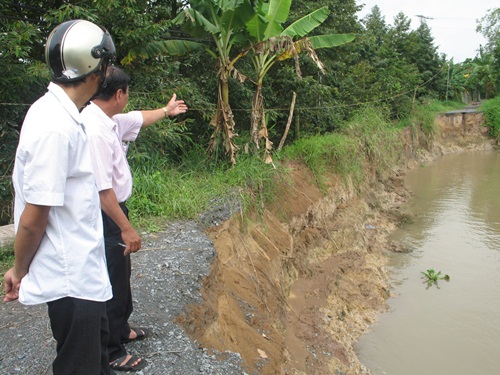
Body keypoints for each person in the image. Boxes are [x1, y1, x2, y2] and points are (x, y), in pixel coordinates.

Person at [3, 20, 119, 375]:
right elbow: (35, 218)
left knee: (95, 362)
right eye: (107, 62)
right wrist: (19, 269)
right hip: (72, 280)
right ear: (96, 68)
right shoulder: (54, 126)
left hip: (84, 271)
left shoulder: (63, 115)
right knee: (78, 367)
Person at [81, 66, 188, 372]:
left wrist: (166, 111)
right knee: (111, 278)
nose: (128, 99)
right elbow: (103, 192)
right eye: (127, 93)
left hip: (115, 211)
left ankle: (121, 328)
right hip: (106, 214)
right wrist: (126, 229)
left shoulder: (109, 119)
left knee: (121, 273)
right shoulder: (95, 130)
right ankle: (111, 350)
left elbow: (140, 117)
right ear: (118, 94)